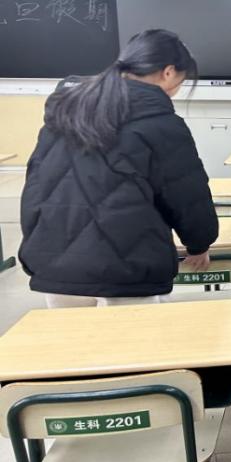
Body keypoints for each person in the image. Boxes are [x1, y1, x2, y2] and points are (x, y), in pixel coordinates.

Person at [19, 29, 218, 307]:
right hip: (127, 265)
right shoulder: (161, 123)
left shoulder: (64, 111)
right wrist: (199, 244)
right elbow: (186, 195)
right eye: (181, 82)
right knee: (134, 335)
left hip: (54, 258)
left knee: (71, 335)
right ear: (169, 72)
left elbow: (36, 184)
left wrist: (36, 241)